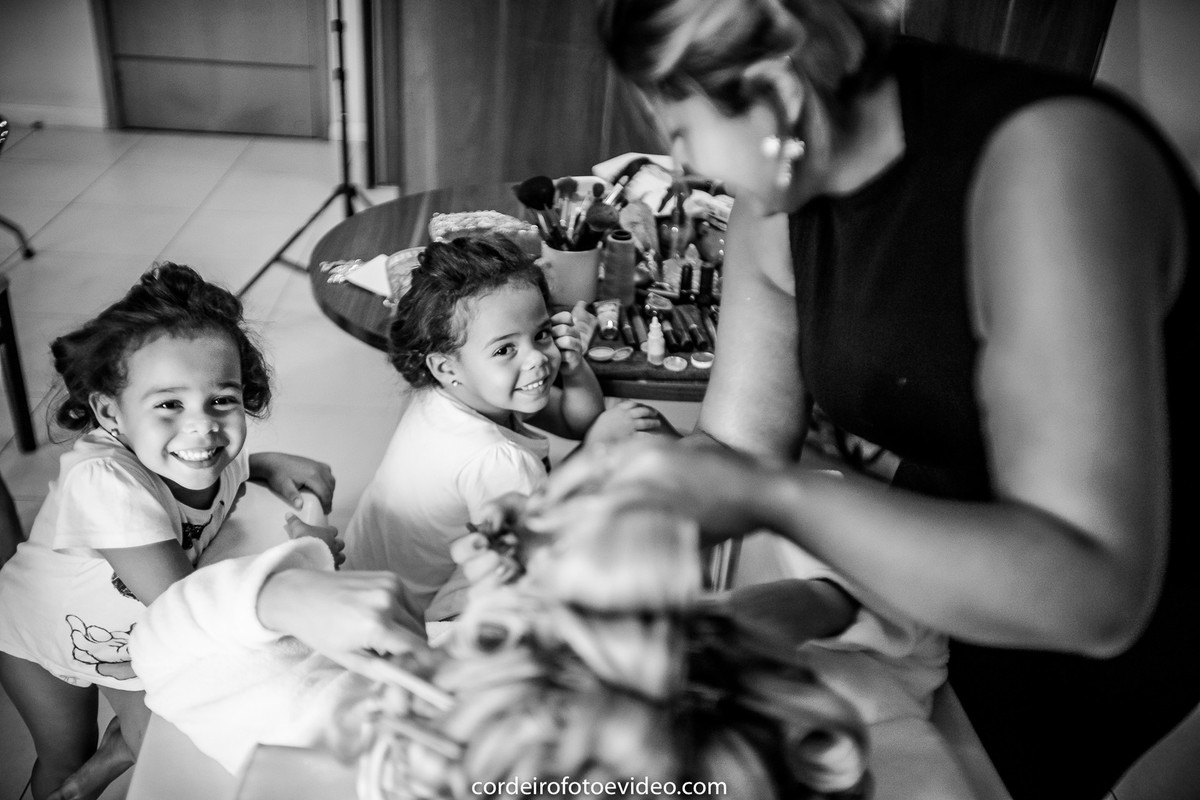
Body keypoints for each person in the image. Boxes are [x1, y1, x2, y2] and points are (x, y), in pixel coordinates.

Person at [521, 1, 1200, 798]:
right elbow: (737, 445)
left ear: (778, 95)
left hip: (1114, 617)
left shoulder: (1052, 164)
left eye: (681, 131)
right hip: (930, 574)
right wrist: (604, 526)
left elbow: (1093, 595)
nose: (685, 165)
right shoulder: (777, 204)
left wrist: (768, 497)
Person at [0, 263, 341, 800]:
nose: (201, 427)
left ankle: (112, 756)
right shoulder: (100, 480)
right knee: (64, 757)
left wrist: (263, 464)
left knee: (157, 742)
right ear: (110, 412)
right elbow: (188, 607)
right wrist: (308, 555)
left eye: (222, 399)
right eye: (168, 404)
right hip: (37, 637)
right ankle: (91, 770)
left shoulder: (207, 454)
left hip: (132, 643)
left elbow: (218, 470)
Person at [343, 234, 671, 638]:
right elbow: (541, 542)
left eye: (541, 334)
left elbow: (577, 421)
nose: (536, 359)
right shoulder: (496, 460)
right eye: (504, 349)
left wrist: (573, 367)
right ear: (446, 367)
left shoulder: (458, 389)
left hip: (365, 582)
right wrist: (597, 450)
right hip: (422, 622)